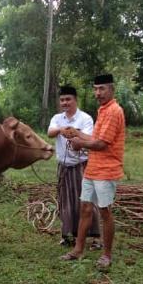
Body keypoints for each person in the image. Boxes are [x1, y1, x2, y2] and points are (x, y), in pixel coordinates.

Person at [60, 73, 125, 268]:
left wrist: (79, 143)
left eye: (102, 88)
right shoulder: (103, 110)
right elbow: (95, 138)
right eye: (95, 89)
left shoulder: (114, 111)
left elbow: (101, 144)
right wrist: (77, 133)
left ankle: (106, 255)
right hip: (92, 168)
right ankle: (78, 250)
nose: (98, 93)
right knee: (85, 208)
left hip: (106, 169)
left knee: (105, 211)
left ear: (111, 89)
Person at [47, 85, 101, 248]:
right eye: (62, 100)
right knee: (65, 201)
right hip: (64, 167)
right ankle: (68, 236)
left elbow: (89, 138)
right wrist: (61, 129)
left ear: (75, 100)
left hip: (82, 166)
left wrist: (75, 135)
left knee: (87, 200)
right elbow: (50, 132)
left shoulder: (85, 118)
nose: (65, 102)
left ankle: (95, 238)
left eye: (68, 99)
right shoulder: (57, 118)